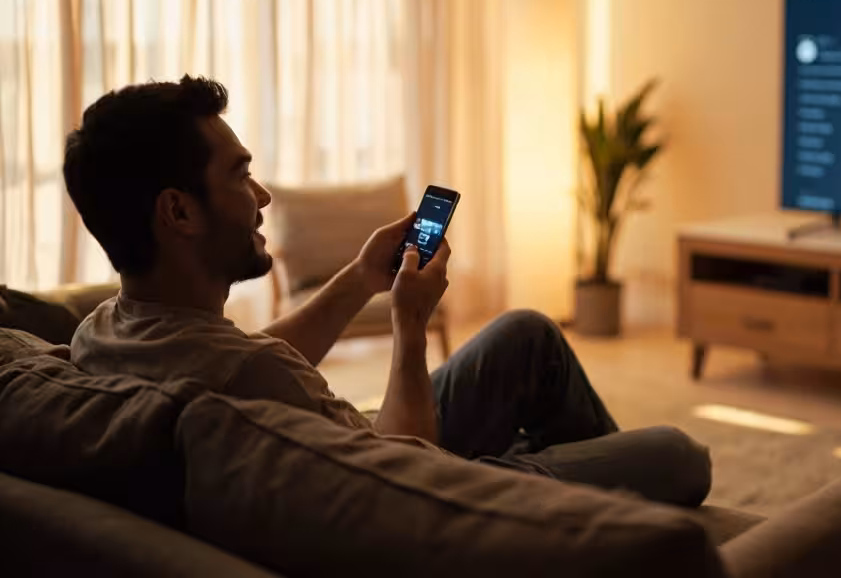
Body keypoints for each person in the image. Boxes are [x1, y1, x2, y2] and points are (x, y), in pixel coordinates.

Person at [62, 76, 711, 507]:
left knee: (526, 336)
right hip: (416, 500)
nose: (261, 198)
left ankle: (571, 507)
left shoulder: (106, 332)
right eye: (240, 177)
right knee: (678, 457)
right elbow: (406, 482)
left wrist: (361, 279)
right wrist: (408, 325)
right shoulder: (255, 376)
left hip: (347, 455)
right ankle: (596, 535)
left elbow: (237, 362)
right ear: (178, 213)